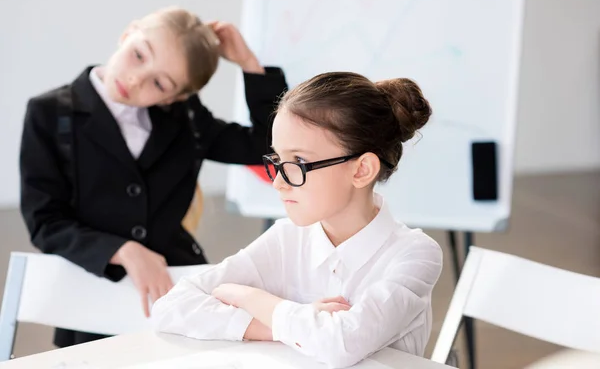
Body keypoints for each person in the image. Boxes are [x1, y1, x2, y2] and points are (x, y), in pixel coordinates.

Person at [18, 6, 288, 348]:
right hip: (91, 300)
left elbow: (268, 145)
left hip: (179, 295)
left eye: (160, 83)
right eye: (138, 55)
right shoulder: (50, 113)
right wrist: (125, 251)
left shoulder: (185, 118)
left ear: (175, 96)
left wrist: (251, 65)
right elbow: (46, 222)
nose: (135, 79)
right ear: (128, 33)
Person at [151, 72, 443, 368]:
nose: (278, 182)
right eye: (277, 160)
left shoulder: (414, 254)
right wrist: (281, 329)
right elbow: (171, 307)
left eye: (299, 162)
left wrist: (251, 298)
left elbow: (339, 344)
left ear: (361, 170)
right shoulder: (287, 237)